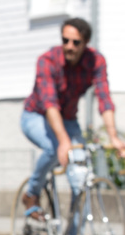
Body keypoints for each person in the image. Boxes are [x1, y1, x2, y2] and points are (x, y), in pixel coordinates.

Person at [21, 18, 125, 223]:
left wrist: (113, 136)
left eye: (75, 42)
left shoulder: (95, 61)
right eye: (65, 40)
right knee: (54, 148)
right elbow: (50, 103)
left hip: (68, 119)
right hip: (36, 116)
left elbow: (104, 98)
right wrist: (63, 140)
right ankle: (31, 194)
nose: (69, 46)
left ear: (85, 43)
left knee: (80, 179)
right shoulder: (47, 60)